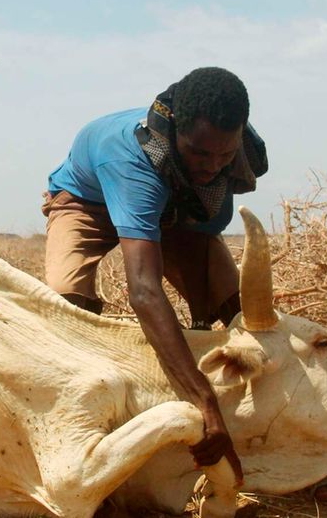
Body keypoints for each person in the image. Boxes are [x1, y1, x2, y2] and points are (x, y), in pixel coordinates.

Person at [42, 66, 267, 479]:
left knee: (244, 312)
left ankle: (285, 436)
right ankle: (72, 446)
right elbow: (143, 291)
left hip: (170, 209)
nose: (213, 166)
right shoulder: (133, 158)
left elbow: (203, 219)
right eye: (200, 153)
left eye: (224, 154)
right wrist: (205, 403)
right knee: (63, 306)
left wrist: (209, 301)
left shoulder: (231, 143)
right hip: (86, 204)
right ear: (176, 131)